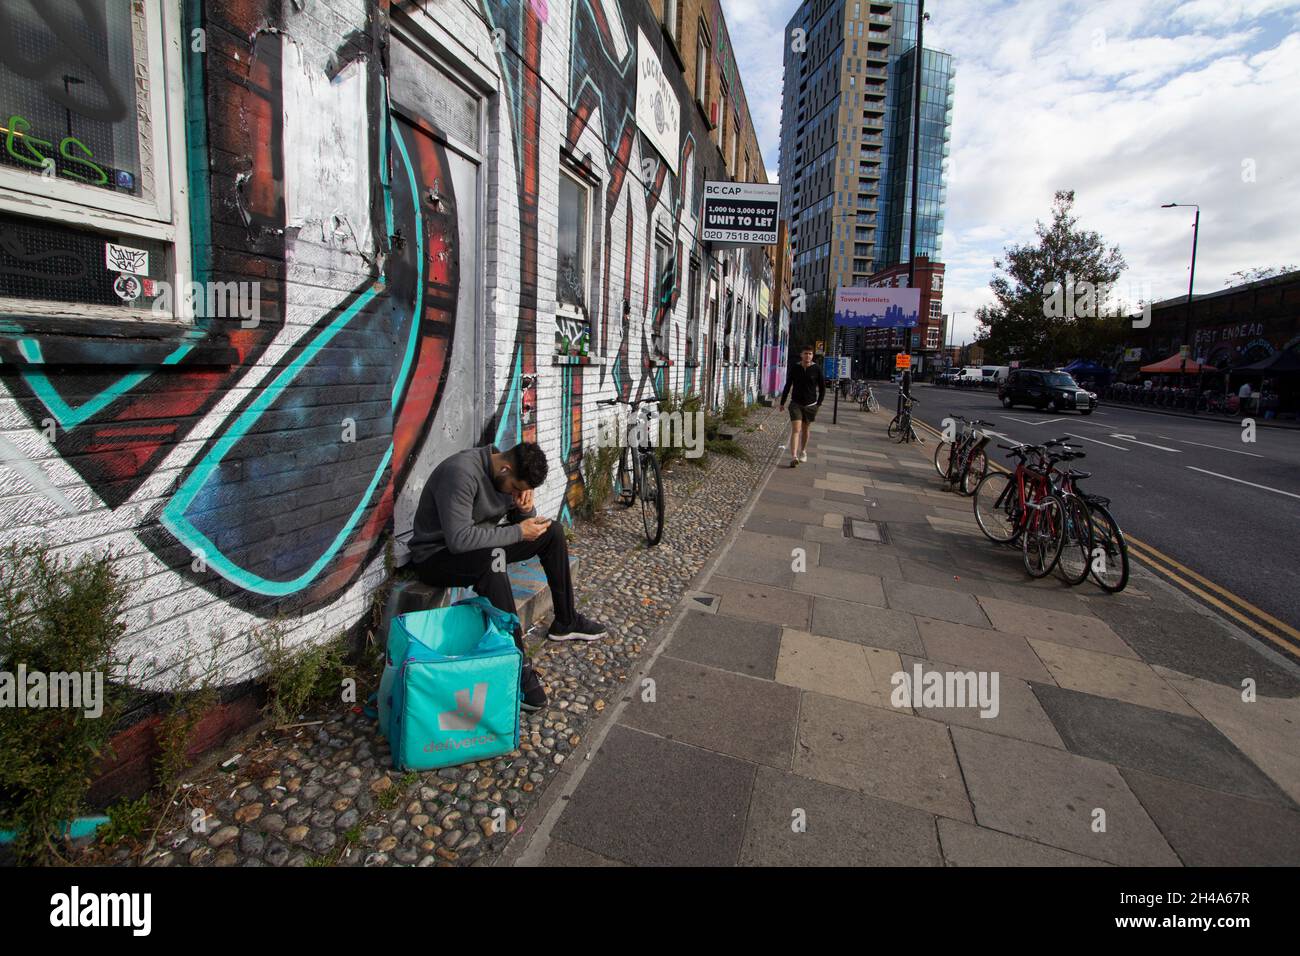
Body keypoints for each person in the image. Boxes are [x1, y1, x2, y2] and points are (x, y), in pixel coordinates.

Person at [408, 442, 606, 712]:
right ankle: (518, 666)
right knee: (493, 563)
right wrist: (518, 531)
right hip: (436, 557)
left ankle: (566, 620)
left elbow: (521, 524)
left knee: (553, 532)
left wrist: (525, 510)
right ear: (505, 468)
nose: (515, 492)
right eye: (515, 487)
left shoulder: (505, 474)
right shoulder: (461, 473)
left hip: (477, 549)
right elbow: (459, 540)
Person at [780, 346, 825, 467]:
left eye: (810, 354)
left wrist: (818, 404)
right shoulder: (795, 368)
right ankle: (794, 457)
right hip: (796, 403)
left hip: (810, 405)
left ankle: (803, 451)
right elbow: (788, 385)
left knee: (805, 429)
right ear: (801, 355)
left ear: (812, 355)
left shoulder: (816, 369)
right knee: (796, 429)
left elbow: (822, 388)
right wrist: (782, 402)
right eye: (806, 353)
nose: (808, 356)